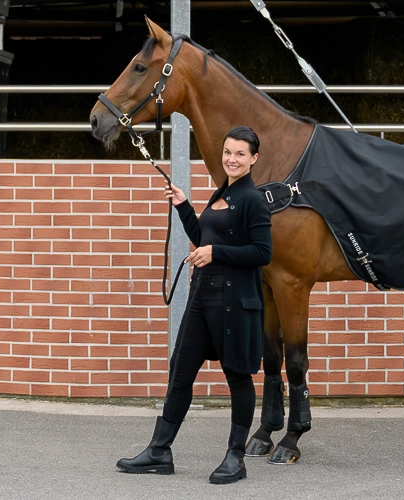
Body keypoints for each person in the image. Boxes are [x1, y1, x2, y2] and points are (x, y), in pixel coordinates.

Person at [117, 126, 272, 484]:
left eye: (239, 154)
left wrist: (216, 252)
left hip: (234, 301)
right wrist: (184, 205)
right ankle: (159, 450)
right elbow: (204, 238)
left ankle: (236, 456)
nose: (231, 159)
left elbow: (263, 253)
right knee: (181, 369)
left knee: (237, 375)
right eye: (227, 152)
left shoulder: (252, 199)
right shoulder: (224, 192)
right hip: (204, 297)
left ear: (253, 159)